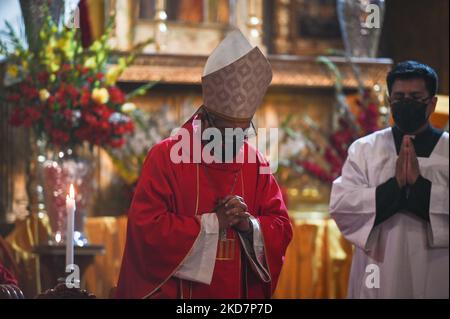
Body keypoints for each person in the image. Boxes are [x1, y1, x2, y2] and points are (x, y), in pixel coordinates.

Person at [116, 30, 292, 299]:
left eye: (242, 133)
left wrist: (249, 226)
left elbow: (281, 225)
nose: (235, 143)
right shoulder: (166, 157)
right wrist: (213, 223)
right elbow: (146, 232)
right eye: (226, 132)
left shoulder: (254, 161)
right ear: (206, 118)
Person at [330, 60, 448, 298]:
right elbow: (342, 206)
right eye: (399, 97)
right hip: (379, 270)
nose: (406, 104)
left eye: (415, 97)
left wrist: (419, 188)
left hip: (437, 269)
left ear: (432, 102)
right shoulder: (365, 149)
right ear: (389, 100)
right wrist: (395, 188)